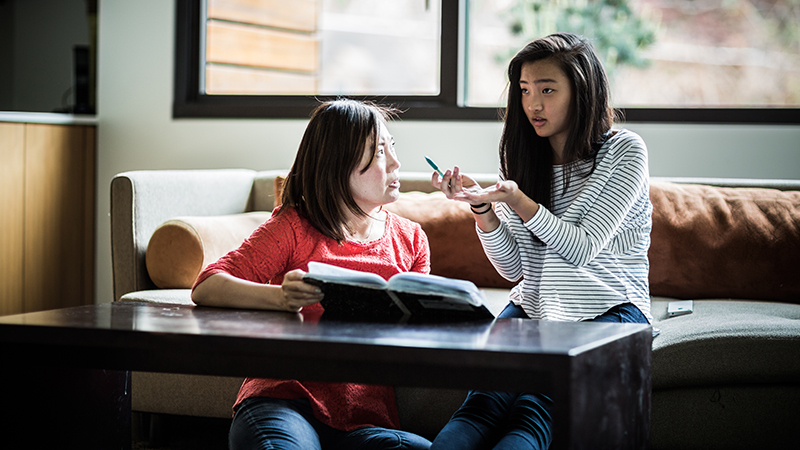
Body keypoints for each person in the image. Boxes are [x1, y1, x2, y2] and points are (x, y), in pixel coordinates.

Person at [428, 32, 653, 450]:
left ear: (582, 92)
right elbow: (514, 268)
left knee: (534, 411)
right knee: (479, 406)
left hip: (610, 309)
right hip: (535, 307)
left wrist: (519, 201)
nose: (533, 104)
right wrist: (483, 208)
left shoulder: (625, 151)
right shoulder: (523, 159)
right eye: (525, 90)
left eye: (547, 90)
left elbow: (582, 248)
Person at [192, 99, 432, 450]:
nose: (396, 163)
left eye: (392, 147)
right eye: (380, 152)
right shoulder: (293, 226)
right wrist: (280, 298)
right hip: (284, 402)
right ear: (338, 164)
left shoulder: (411, 239)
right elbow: (207, 285)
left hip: (365, 423)